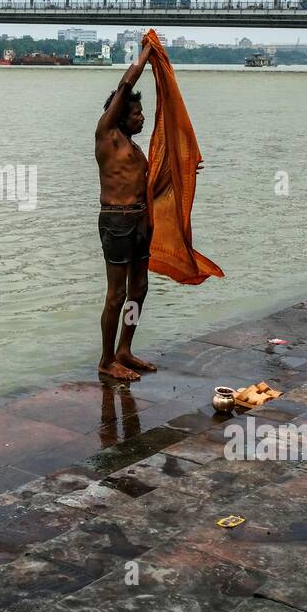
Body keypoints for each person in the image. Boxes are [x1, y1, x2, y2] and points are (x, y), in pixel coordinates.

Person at [94, 35, 179, 382]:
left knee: (138, 289)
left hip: (141, 223)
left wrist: (181, 174)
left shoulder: (135, 149)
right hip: (116, 222)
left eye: (142, 112)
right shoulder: (107, 135)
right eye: (137, 112)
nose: (143, 117)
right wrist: (147, 53)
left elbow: (149, 187)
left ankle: (125, 349)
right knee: (116, 294)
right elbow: (126, 84)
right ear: (120, 115)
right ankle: (106, 359)